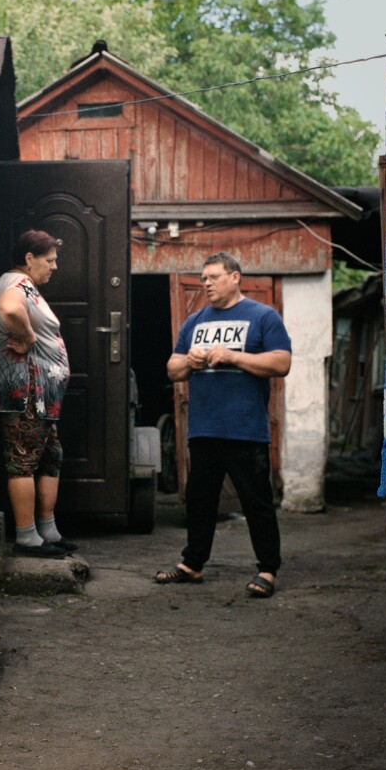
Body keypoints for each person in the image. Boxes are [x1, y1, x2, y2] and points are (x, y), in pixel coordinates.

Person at [154, 251, 292, 598]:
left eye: (213, 277)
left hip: (245, 428)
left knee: (256, 502)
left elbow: (281, 362)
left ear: (235, 277)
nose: (206, 283)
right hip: (204, 427)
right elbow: (172, 369)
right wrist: (191, 361)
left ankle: (267, 569)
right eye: (203, 278)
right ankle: (193, 564)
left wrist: (232, 356)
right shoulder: (194, 321)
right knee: (200, 501)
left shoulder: (263, 316)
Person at [0, 229, 76, 558]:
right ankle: (26, 537)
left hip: (42, 396)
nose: (54, 266)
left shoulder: (24, 285)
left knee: (50, 456)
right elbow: (9, 309)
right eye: (49, 260)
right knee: (22, 459)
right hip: (26, 393)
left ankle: (47, 530)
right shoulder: (16, 284)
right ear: (29, 259)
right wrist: (28, 337)